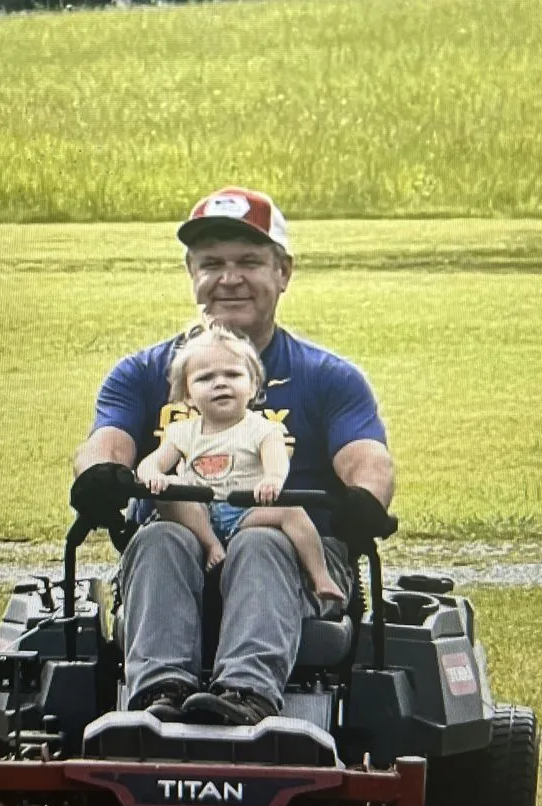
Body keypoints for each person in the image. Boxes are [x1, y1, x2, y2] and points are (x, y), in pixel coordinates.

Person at [71, 185, 396, 726]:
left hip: (291, 550)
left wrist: (366, 498)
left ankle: (248, 699)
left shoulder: (328, 377)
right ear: (191, 273)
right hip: (175, 547)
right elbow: (107, 443)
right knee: (158, 534)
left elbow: (367, 457)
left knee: (263, 539)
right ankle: (157, 698)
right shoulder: (141, 373)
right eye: (212, 263)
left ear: (283, 272)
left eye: (249, 261)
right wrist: (102, 475)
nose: (229, 278)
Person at [135, 321, 346, 602]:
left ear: (252, 386)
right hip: (199, 513)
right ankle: (211, 545)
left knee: (292, 511)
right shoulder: (182, 432)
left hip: (245, 511)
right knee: (169, 493)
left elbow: (277, 461)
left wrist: (272, 479)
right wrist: (154, 475)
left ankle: (320, 577)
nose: (220, 383)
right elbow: (151, 464)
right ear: (187, 395)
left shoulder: (263, 429)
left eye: (233, 374)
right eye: (205, 378)